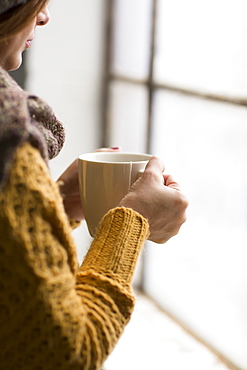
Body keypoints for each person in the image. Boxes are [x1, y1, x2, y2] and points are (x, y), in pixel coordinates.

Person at [0, 1, 189, 369]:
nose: (43, 16)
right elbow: (64, 355)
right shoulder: (9, 138)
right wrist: (133, 224)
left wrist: (49, 204)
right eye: (34, 2)